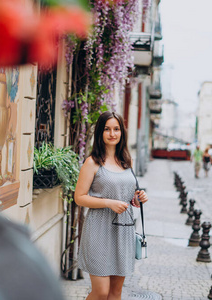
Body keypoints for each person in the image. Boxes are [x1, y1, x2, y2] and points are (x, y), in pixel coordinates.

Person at [75, 111, 149, 300]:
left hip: (123, 231)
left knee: (115, 293)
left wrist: (137, 198)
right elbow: (79, 198)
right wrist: (108, 203)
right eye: (107, 129)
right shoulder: (92, 162)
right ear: (100, 132)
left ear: (122, 133)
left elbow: (128, 195)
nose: (112, 133)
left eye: (116, 129)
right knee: (101, 292)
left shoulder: (126, 161)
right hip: (98, 230)